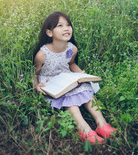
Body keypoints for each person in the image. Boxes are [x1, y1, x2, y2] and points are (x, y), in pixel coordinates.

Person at [33, 11, 117, 144]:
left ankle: (102, 124)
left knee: (86, 91)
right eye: (60, 25)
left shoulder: (72, 48)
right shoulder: (42, 54)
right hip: (52, 82)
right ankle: (84, 129)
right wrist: (36, 85)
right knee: (70, 99)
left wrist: (80, 74)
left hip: (67, 77)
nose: (66, 28)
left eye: (68, 25)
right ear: (49, 33)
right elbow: (35, 73)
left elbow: (71, 63)